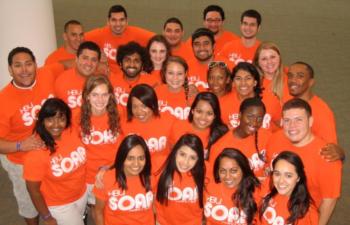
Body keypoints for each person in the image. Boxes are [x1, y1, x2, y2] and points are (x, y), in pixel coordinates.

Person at [0, 47, 57, 225]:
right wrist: (20, 145)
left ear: (35, 65)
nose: (24, 70)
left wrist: (99, 63)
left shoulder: (46, 74)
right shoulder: (4, 100)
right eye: (18, 65)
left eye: (28, 64)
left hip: (48, 151)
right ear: (10, 69)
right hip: (20, 159)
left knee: (50, 192)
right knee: (28, 202)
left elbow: (63, 65)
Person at [266, 98, 342, 225]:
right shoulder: (275, 139)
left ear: (310, 121)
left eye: (298, 120)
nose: (292, 126)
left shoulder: (327, 157)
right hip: (273, 213)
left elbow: (329, 200)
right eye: (287, 120)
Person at [23, 98, 87, 225]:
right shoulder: (36, 152)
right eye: (50, 119)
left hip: (81, 194)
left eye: (61, 119)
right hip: (59, 205)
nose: (56, 124)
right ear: (42, 121)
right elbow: (33, 191)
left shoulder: (71, 132)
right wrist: (47, 217)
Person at [76, 75, 122, 215]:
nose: (100, 100)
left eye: (104, 95)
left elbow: (123, 148)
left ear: (110, 96)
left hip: (112, 172)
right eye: (95, 95)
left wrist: (108, 168)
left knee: (111, 211)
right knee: (95, 211)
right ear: (87, 96)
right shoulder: (75, 117)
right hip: (88, 177)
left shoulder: (120, 114)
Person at [94, 134, 154, 225]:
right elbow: (98, 212)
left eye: (141, 158)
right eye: (130, 158)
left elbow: (155, 208)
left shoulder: (151, 177)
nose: (136, 164)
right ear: (122, 158)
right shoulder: (105, 179)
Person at [209, 97, 271, 180]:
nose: (255, 123)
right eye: (250, 117)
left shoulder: (267, 135)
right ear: (240, 115)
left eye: (259, 119)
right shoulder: (220, 148)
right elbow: (217, 182)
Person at [120, 84, 174, 173]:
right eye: (135, 106)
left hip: (163, 173)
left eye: (144, 106)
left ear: (153, 104)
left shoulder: (168, 120)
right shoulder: (123, 123)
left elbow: (178, 148)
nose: (139, 111)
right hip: (136, 173)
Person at [85, 4, 154, 73]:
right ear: (108, 22)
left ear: (127, 21)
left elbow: (159, 40)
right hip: (107, 78)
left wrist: (146, 69)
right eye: (114, 20)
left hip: (129, 76)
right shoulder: (98, 34)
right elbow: (77, 40)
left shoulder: (136, 33)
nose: (118, 24)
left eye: (121, 20)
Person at [155, 133, 205, 225]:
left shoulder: (205, 171)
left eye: (192, 158)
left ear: (198, 159)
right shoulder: (160, 165)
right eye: (182, 154)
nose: (185, 162)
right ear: (175, 152)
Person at [259, 151, 318, 225]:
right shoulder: (267, 188)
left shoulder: (307, 212)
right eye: (277, 174)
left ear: (298, 178)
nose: (281, 181)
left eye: (288, 176)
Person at [205, 148, 261, 225]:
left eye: (233, 171)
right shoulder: (208, 187)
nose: (227, 176)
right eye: (223, 171)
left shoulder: (257, 192)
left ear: (243, 169)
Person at [170, 92, 228, 159]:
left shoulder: (221, 134)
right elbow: (172, 156)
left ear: (215, 116)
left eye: (209, 113)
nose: (203, 117)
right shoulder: (178, 127)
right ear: (192, 111)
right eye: (199, 111)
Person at [228, 62, 281, 131]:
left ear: (255, 82)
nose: (243, 83)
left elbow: (282, 126)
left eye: (248, 78)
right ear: (233, 83)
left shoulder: (271, 100)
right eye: (238, 78)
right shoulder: (224, 103)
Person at [54, 41, 101, 111]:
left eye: (93, 60)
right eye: (85, 58)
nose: (89, 63)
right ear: (76, 59)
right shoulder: (62, 81)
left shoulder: (102, 82)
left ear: (98, 63)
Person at [110, 41, 159, 107]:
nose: (132, 64)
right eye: (127, 60)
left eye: (136, 61)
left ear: (142, 65)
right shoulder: (110, 82)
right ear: (121, 63)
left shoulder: (153, 84)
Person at [155, 56, 191, 120]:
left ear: (185, 74)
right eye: (170, 73)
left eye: (179, 74)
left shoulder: (192, 94)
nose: (175, 78)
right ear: (164, 73)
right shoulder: (155, 93)